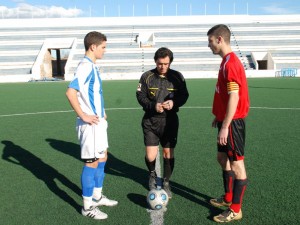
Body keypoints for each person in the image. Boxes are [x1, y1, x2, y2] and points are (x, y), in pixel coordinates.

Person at [66, 31, 118, 220]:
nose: (105, 50)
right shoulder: (85, 66)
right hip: (90, 126)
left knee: (102, 157)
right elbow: (71, 92)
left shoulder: (92, 66)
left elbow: (92, 93)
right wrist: (84, 115)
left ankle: (97, 196)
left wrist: (101, 111)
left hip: (98, 122)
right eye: (103, 47)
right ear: (93, 47)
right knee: (92, 162)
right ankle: (87, 207)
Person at [207, 24, 250, 223]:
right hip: (226, 120)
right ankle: (228, 197)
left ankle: (235, 208)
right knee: (221, 157)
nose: (209, 46)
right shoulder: (226, 61)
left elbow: (234, 96)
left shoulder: (231, 63)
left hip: (233, 124)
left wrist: (226, 124)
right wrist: (220, 117)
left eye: (210, 41)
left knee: (237, 164)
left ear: (219, 40)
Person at [136, 47, 189, 198]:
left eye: (166, 64)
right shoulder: (146, 76)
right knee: (151, 156)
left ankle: (166, 182)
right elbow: (140, 97)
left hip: (170, 121)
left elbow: (184, 95)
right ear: (155, 61)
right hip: (150, 121)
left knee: (168, 153)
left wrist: (174, 103)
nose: (163, 67)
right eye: (160, 63)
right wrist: (153, 106)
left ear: (170, 62)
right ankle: (152, 174)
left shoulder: (177, 77)